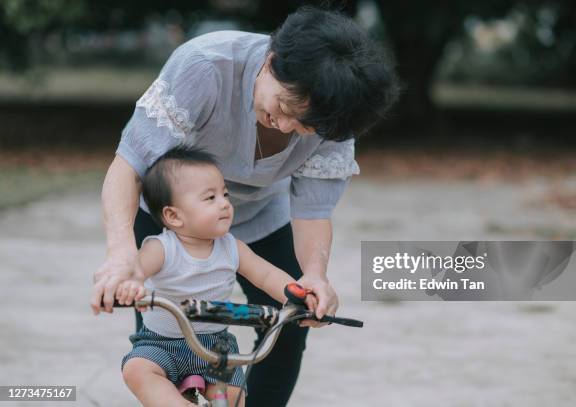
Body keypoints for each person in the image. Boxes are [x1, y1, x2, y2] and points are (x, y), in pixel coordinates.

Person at [91, 6, 399, 406]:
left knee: (289, 325)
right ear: (271, 62)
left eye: (305, 126)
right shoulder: (204, 67)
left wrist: (314, 275)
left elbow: (312, 212)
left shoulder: (334, 120)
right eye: (285, 106)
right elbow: (128, 167)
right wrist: (120, 256)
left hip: (260, 216)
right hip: (173, 220)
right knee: (161, 339)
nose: (285, 126)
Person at [117, 145, 304, 407]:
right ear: (174, 215)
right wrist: (129, 285)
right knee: (137, 370)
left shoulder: (232, 247)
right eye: (210, 198)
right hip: (160, 344)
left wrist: (298, 295)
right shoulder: (161, 248)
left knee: (232, 397)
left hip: (216, 347)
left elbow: (266, 275)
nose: (225, 204)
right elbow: (136, 269)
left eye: (224, 194)